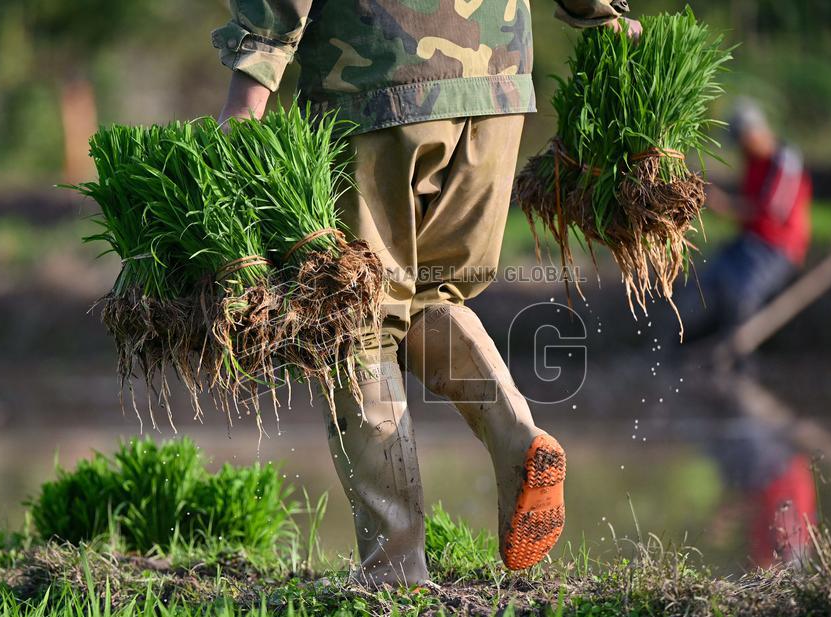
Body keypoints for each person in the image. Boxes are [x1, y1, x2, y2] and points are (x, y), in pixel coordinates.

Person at [212, 0, 641, 586]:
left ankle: (394, 570)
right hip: (497, 86)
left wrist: (250, 82)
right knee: (428, 292)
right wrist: (601, 14)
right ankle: (519, 439)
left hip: (375, 76)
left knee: (353, 316)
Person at [678, 99, 813, 344]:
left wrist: (726, 206)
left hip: (777, 248)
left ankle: (738, 355)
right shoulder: (753, 161)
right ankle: (696, 346)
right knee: (707, 280)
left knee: (742, 293)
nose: (741, 149)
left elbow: (773, 210)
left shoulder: (785, 162)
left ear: (754, 134)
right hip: (749, 242)